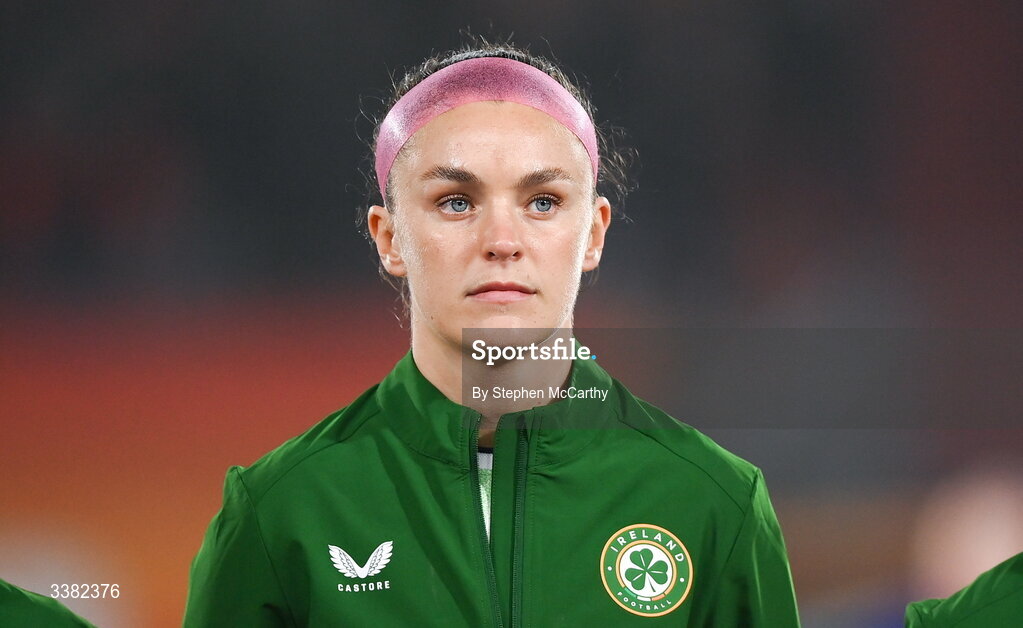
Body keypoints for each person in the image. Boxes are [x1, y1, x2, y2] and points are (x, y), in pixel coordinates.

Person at [183, 37, 801, 627]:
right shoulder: (281, 511)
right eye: (456, 201)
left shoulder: (713, 500)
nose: (501, 242)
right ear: (389, 237)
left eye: (543, 202)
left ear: (594, 232)